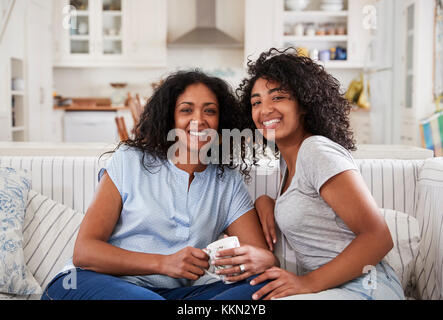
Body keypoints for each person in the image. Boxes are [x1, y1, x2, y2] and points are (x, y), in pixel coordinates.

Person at [41, 70, 278, 300]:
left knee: (264, 285)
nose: (199, 120)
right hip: (94, 282)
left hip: (176, 294)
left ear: (221, 121)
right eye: (186, 110)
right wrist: (164, 263)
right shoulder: (130, 161)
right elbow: (85, 252)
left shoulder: (227, 181)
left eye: (210, 111)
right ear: (169, 117)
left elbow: (261, 258)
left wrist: (262, 251)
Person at [237, 48, 405, 300]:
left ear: (304, 104)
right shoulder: (287, 162)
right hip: (335, 288)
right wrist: (265, 201)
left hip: (367, 285)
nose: (265, 109)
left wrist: (307, 282)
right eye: (256, 102)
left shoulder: (316, 151)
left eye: (278, 97)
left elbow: (378, 237)